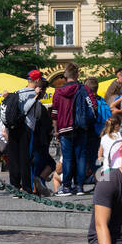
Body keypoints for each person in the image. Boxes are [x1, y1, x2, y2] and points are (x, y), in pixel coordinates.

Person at [52, 63, 93, 195]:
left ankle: (66, 187)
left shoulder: (58, 91)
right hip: (81, 127)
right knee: (81, 157)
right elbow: (93, 105)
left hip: (64, 128)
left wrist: (56, 129)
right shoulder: (83, 88)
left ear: (65, 75)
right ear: (77, 75)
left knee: (68, 158)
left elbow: (54, 113)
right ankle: (80, 186)